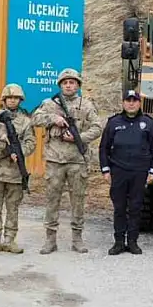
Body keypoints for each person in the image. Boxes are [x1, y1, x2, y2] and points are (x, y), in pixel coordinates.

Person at [31, 69, 104, 254]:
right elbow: (35, 119)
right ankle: (50, 240)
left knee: (78, 201)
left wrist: (80, 137)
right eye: (65, 83)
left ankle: (77, 239)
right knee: (52, 200)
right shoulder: (49, 104)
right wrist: (53, 118)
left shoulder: (86, 105)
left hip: (77, 161)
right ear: (60, 85)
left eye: (72, 82)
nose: (69, 85)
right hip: (55, 159)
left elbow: (97, 127)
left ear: (78, 85)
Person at [0, 84, 36, 254]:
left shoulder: (25, 122)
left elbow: (31, 142)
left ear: (20, 100)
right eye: (9, 98)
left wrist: (20, 153)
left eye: (15, 98)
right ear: (4, 100)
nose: (12, 100)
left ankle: (9, 240)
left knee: (13, 208)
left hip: (15, 172)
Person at [99, 89, 153, 255]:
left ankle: (132, 241)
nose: (131, 103)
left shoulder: (148, 123)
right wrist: (105, 170)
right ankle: (118, 242)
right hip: (118, 171)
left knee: (135, 208)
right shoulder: (113, 122)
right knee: (119, 208)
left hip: (140, 172)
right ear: (123, 103)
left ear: (139, 103)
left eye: (134, 100)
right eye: (128, 100)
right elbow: (103, 147)